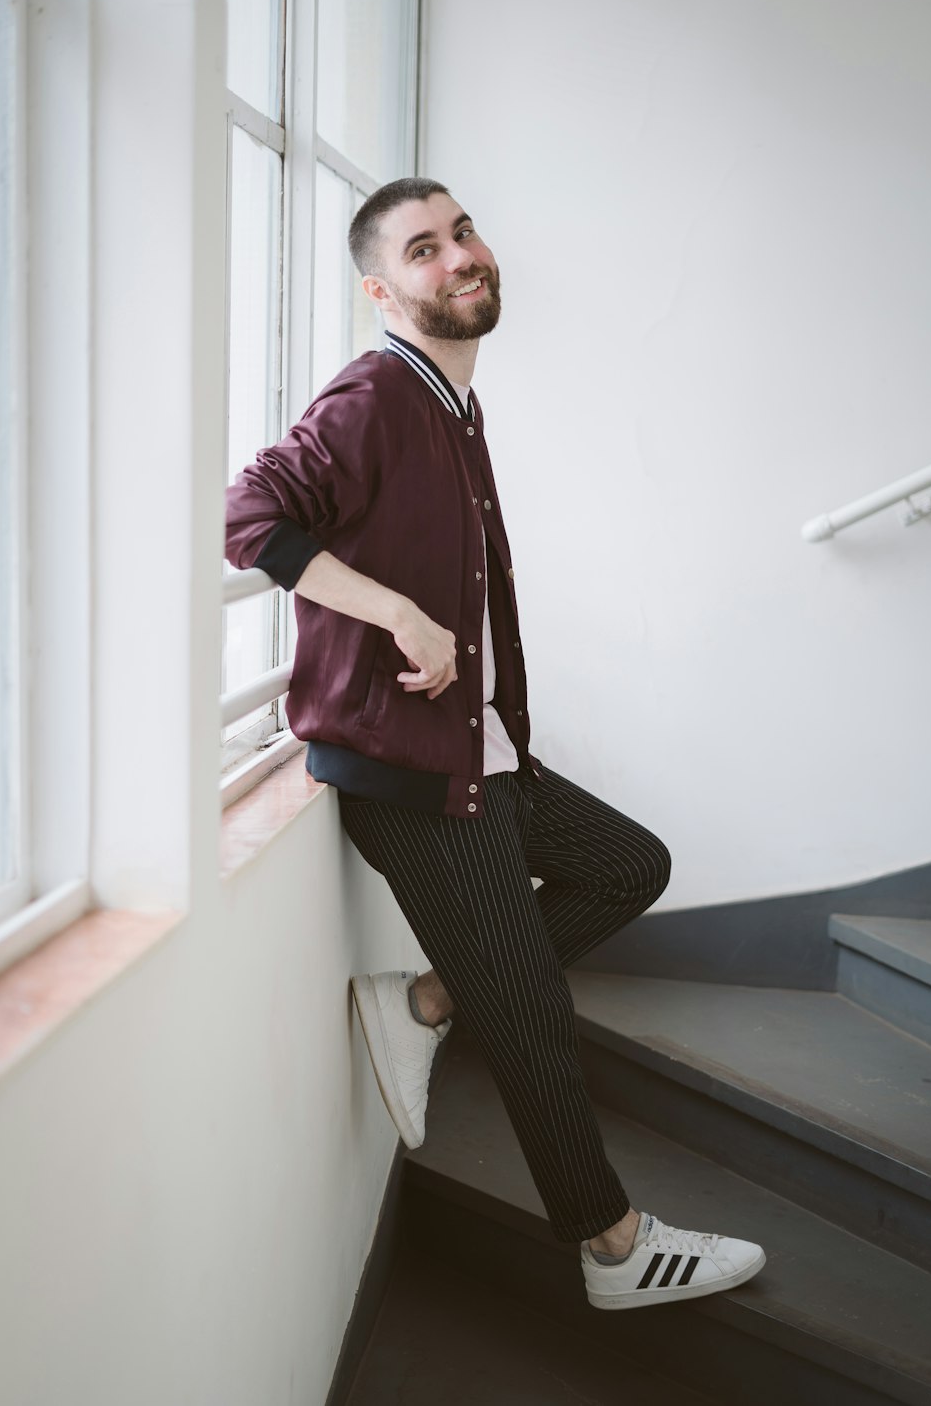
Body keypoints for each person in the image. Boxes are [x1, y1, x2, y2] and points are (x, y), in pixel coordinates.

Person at [223, 178, 765, 1309]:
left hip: (473, 753)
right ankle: (612, 1249)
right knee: (530, 1020)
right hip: (411, 780)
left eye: (462, 232)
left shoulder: (452, 404)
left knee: (629, 866)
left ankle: (423, 1000)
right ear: (381, 289)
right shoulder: (376, 393)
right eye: (424, 249)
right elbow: (250, 515)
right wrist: (400, 616)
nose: (459, 256)